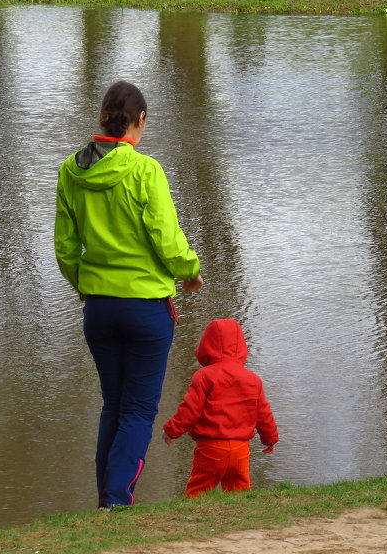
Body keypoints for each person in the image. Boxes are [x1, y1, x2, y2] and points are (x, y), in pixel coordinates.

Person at [55, 80, 203, 509]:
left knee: (113, 407)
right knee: (137, 411)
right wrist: (189, 270)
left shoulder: (71, 170)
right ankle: (116, 502)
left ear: (103, 118)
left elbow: (65, 245)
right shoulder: (145, 170)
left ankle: (107, 499)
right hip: (145, 311)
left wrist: (85, 284)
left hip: (99, 309)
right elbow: (165, 236)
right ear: (140, 121)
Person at [162, 318, 278, 497]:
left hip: (210, 447)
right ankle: (242, 522)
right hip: (240, 449)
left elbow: (190, 409)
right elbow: (263, 414)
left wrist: (172, 430)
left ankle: (194, 520)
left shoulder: (204, 376)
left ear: (206, 345)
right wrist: (270, 439)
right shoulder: (252, 379)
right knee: (239, 493)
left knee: (198, 491)